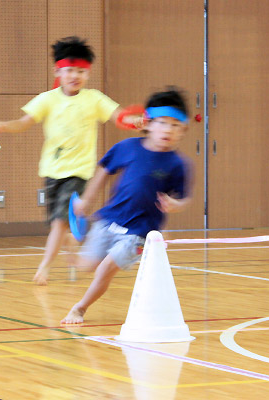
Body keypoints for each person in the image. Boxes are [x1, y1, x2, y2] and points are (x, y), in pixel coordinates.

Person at [0, 36, 124, 285]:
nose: (75, 76)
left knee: (59, 221)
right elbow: (25, 122)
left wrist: (134, 121)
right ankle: (71, 239)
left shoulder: (94, 99)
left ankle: (44, 268)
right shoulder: (47, 99)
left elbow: (117, 115)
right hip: (51, 171)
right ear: (57, 71)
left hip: (78, 172)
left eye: (81, 71)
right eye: (70, 70)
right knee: (58, 223)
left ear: (88, 74)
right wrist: (5, 126)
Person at [60, 87, 192, 325]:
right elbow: (103, 172)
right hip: (109, 219)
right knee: (85, 266)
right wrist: (86, 201)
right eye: (162, 123)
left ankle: (79, 309)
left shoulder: (178, 164)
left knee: (106, 269)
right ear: (148, 124)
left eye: (175, 125)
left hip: (141, 231)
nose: (168, 130)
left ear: (183, 130)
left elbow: (184, 199)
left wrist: (176, 204)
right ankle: (72, 242)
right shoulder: (127, 148)